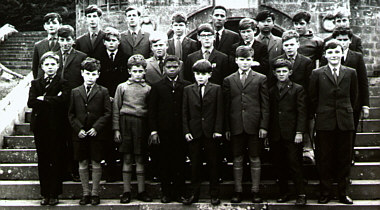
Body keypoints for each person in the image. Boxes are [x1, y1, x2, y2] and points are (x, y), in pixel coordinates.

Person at [309, 40, 358, 204]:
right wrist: (322, 112)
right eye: (330, 52)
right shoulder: (317, 73)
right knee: (325, 158)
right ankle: (326, 192)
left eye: (337, 52)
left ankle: (343, 193)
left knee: (344, 158)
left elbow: (354, 96)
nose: (334, 55)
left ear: (342, 52)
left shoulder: (351, 72)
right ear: (325, 55)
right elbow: (313, 97)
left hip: (345, 120)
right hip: (325, 120)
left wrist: (345, 110)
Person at [223, 46, 269, 203]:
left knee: (255, 157)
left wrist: (263, 126)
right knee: (237, 157)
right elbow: (227, 106)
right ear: (236, 61)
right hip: (236, 125)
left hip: (254, 125)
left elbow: (265, 105)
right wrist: (228, 128)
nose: (244, 63)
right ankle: (238, 191)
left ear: (252, 60)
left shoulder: (260, 78)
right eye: (242, 60)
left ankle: (255, 191)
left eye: (248, 60)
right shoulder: (228, 80)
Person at [322, 27, 370, 163]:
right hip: (333, 102)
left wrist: (365, 104)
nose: (342, 43)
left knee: (350, 130)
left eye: (345, 40)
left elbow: (363, 81)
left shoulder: (357, 57)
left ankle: (349, 156)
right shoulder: (329, 56)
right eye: (339, 40)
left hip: (352, 101)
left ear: (350, 41)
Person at [68, 57, 112, 206]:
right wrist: (78, 128)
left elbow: (107, 112)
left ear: (98, 74)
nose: (90, 77)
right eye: (87, 73)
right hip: (80, 133)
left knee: (96, 162)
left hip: (96, 134)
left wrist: (96, 128)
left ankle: (95, 193)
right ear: (82, 73)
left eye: (93, 74)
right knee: (83, 162)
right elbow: (71, 114)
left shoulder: (103, 91)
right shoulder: (75, 92)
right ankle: (85, 192)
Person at [27, 52, 69, 206]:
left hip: (57, 126)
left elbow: (64, 100)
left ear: (58, 66)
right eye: (47, 64)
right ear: (42, 66)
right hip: (40, 127)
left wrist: (43, 98)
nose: (50, 67)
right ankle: (44, 193)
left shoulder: (63, 83)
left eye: (53, 64)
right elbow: (31, 102)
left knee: (56, 158)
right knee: (43, 160)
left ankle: (55, 193)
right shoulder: (35, 83)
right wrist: (52, 99)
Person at [148, 55, 190, 203]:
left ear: (179, 67)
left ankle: (179, 193)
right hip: (163, 131)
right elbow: (152, 111)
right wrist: (154, 131)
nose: (172, 70)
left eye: (174, 67)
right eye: (168, 67)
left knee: (179, 162)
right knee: (164, 162)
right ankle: (166, 192)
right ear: (163, 69)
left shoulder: (186, 86)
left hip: (180, 131)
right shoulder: (157, 87)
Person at [182, 59, 223, 206]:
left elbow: (219, 111)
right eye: (198, 74)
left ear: (210, 75)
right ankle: (194, 194)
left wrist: (218, 130)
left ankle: (214, 194)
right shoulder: (188, 90)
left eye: (204, 74)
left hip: (211, 132)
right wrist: (186, 130)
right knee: (195, 165)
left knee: (213, 164)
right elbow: (184, 112)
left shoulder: (216, 89)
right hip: (194, 132)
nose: (200, 76)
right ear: (193, 74)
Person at [113, 54, 153, 203]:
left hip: (141, 125)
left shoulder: (148, 89)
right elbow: (116, 108)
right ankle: (126, 191)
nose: (137, 74)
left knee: (140, 157)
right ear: (129, 71)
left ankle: (142, 191)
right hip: (125, 123)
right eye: (134, 71)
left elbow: (150, 111)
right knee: (127, 157)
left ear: (144, 71)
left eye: (140, 71)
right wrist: (116, 129)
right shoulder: (122, 87)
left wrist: (150, 130)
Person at [269, 58, 307, 206]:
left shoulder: (297, 89)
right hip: (276, 133)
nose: (281, 74)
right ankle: (283, 192)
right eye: (278, 72)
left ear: (290, 72)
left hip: (292, 134)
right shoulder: (271, 90)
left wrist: (299, 132)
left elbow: (301, 112)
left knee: (294, 164)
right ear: (274, 73)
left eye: (284, 71)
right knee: (279, 164)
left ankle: (301, 193)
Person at [56, 24, 87, 182]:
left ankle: (74, 169)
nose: (65, 43)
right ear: (58, 40)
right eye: (62, 40)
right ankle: (62, 170)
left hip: (75, 103)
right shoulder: (53, 57)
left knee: (75, 136)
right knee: (61, 137)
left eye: (68, 39)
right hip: (58, 104)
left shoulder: (81, 57)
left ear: (73, 40)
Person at [97, 27, 129, 182]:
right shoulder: (98, 58)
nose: (111, 43)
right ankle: (109, 170)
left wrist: (117, 96)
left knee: (121, 134)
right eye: (108, 41)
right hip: (104, 101)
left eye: (114, 41)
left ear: (118, 42)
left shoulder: (125, 58)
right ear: (104, 42)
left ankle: (123, 170)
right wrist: (106, 96)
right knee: (107, 136)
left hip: (122, 100)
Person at [32, 12, 62, 79]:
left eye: (54, 23)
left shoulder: (64, 44)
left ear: (60, 25)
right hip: (42, 82)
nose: (51, 26)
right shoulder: (38, 45)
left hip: (60, 82)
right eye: (48, 24)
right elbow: (35, 68)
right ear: (44, 27)